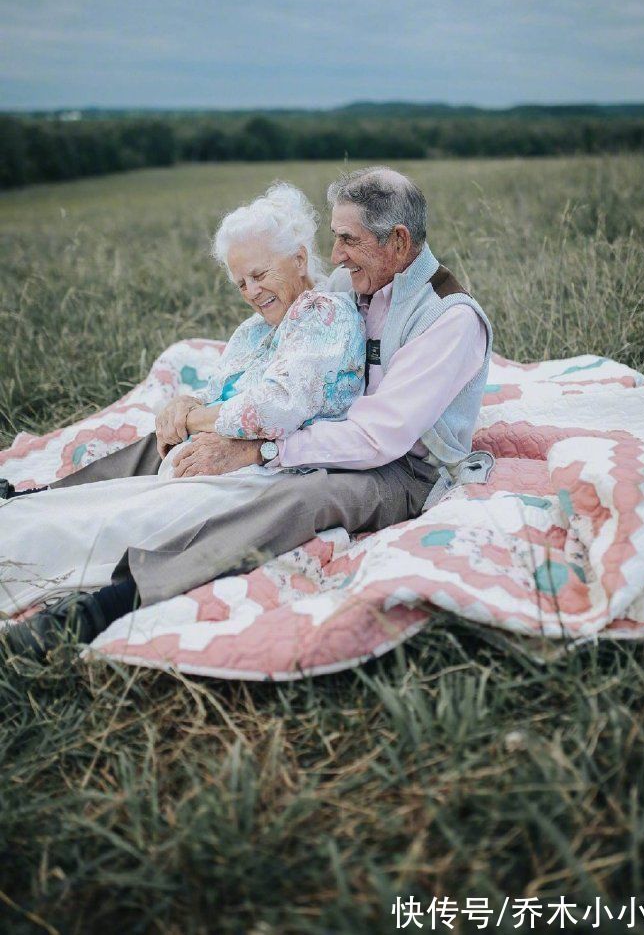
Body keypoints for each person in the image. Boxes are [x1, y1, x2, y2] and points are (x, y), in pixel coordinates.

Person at [2, 167, 493, 660]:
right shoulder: (354, 281)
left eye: (348, 239)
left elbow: (376, 439)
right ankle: (37, 498)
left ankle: (112, 602)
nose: (336, 254)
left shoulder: (449, 320)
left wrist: (265, 449)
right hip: (326, 426)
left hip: (403, 469)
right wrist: (205, 416)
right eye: (335, 236)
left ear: (399, 241)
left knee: (303, 496)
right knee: (182, 435)